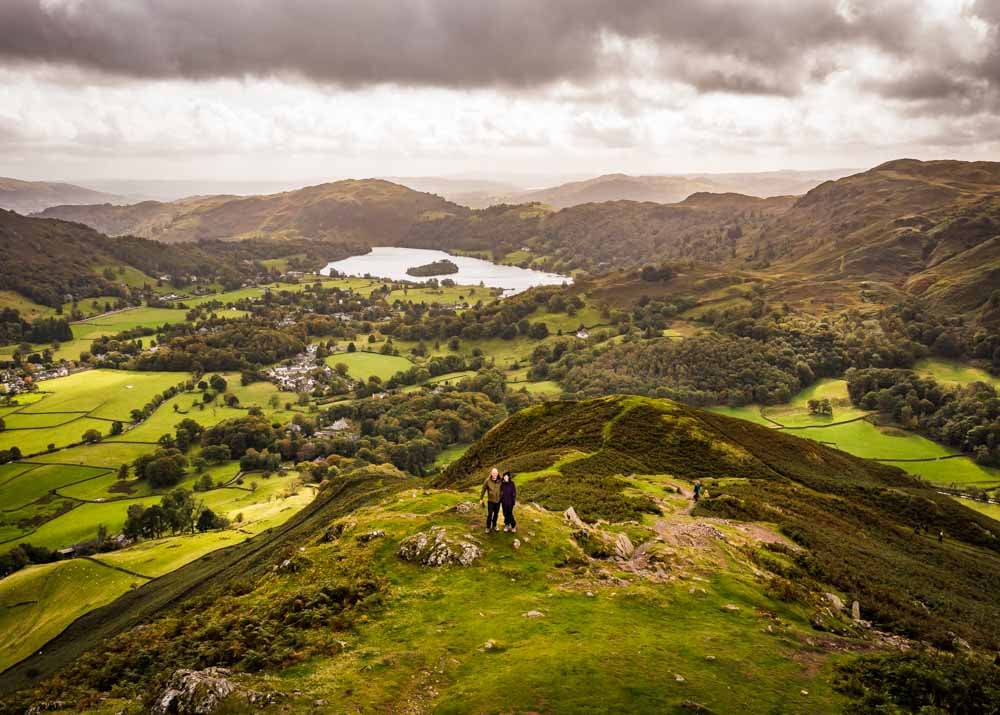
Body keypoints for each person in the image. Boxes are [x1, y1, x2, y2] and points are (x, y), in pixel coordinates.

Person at [480, 467, 502, 533]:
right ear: (491, 473)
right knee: (490, 514)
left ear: (497, 473)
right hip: (490, 501)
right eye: (493, 473)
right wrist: (481, 498)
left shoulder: (500, 481)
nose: (495, 474)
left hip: (498, 501)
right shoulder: (487, 481)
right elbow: (483, 490)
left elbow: (504, 488)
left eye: (496, 473)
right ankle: (488, 527)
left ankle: (494, 525)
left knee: (496, 514)